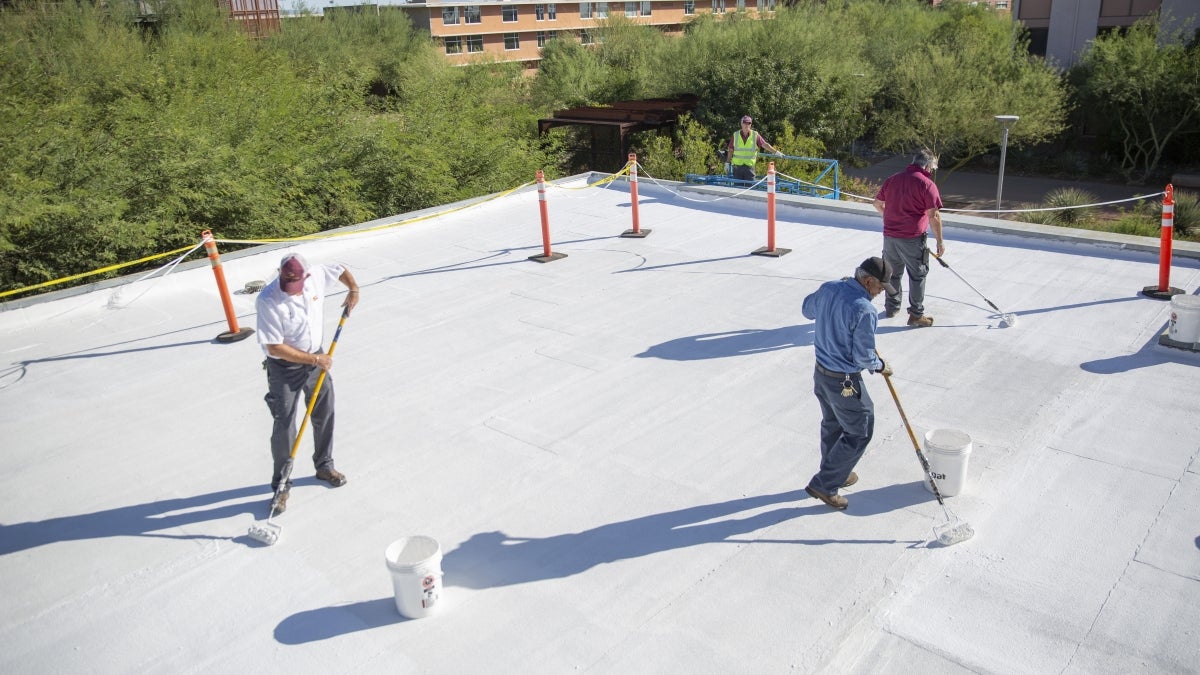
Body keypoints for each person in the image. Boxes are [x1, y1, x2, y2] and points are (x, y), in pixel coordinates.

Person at [255, 253, 360, 515]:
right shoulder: (268, 299)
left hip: (316, 359)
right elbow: (274, 347)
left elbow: (339, 268)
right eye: (287, 282)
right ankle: (281, 485)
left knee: (324, 411)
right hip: (285, 367)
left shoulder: (315, 277)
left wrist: (353, 290)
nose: (292, 289)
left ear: (306, 276)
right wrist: (315, 359)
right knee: (285, 425)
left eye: (296, 283)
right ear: (280, 274)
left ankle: (324, 465)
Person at [800, 257, 895, 510]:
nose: (880, 293)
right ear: (868, 281)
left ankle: (836, 472)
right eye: (880, 287)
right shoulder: (865, 310)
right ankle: (826, 483)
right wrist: (880, 365)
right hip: (845, 381)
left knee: (833, 423)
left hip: (821, 374)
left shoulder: (830, 288)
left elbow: (807, 309)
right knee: (860, 428)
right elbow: (863, 356)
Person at [872, 149, 945, 327]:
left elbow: (877, 203)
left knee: (892, 273)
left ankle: (892, 307)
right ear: (927, 165)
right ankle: (916, 315)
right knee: (917, 275)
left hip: (890, 237)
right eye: (932, 167)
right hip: (912, 238)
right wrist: (940, 241)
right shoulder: (927, 185)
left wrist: (888, 217)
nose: (932, 171)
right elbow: (933, 216)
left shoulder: (893, 179)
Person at [726, 115, 780, 182]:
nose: (747, 125)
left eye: (749, 123)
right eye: (745, 123)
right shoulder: (735, 135)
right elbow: (730, 150)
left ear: (751, 124)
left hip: (749, 167)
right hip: (737, 167)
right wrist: (727, 163)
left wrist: (776, 152)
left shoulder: (755, 135)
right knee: (738, 187)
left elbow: (765, 145)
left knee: (750, 189)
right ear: (741, 123)